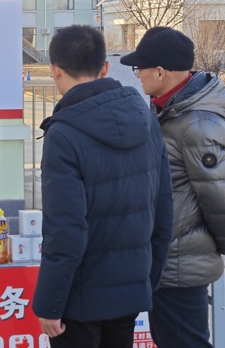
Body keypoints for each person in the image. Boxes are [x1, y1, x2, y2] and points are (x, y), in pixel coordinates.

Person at [32, 25, 173, 348]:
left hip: (80, 298)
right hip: (130, 291)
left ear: (55, 70)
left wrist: (51, 303)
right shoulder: (146, 119)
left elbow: (65, 229)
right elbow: (164, 209)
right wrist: (145, 281)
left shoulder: (64, 133)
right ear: (105, 67)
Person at [120, 26, 225, 348]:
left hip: (182, 261)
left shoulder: (195, 122)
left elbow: (218, 195)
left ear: (160, 72)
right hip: (168, 256)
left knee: (184, 341)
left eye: (139, 69)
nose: (138, 76)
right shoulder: (170, 109)